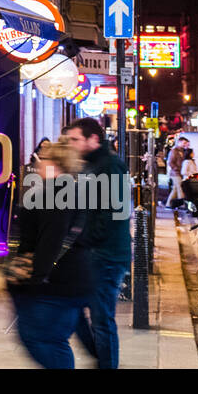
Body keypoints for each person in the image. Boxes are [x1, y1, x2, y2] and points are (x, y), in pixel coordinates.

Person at [9, 142, 93, 369]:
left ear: (55, 164)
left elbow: (51, 241)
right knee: (53, 338)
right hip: (72, 280)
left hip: (53, 285)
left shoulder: (53, 195)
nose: (38, 164)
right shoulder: (74, 191)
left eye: (42, 159)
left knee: (42, 339)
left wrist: (37, 279)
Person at [64, 117, 131, 369]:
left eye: (75, 139)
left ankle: (106, 363)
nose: (71, 144)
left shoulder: (110, 166)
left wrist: (85, 241)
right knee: (74, 310)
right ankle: (101, 358)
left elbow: (111, 213)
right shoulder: (89, 166)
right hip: (92, 253)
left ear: (93, 139)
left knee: (102, 319)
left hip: (107, 255)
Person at [164, 138, 187, 207]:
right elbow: (170, 162)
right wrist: (176, 168)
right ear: (179, 142)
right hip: (175, 173)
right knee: (180, 188)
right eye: (184, 143)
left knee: (175, 189)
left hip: (179, 173)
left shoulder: (182, 151)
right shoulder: (174, 151)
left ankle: (168, 204)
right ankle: (182, 204)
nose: (185, 144)